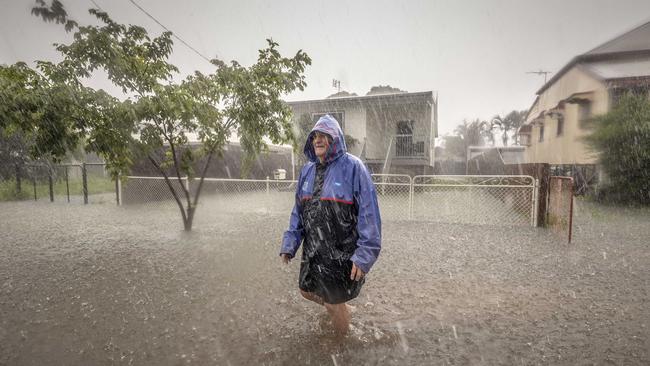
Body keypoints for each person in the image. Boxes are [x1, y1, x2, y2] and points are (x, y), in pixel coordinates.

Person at [280, 114, 382, 335]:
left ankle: (340, 345)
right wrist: (290, 242)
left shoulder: (354, 168)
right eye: (315, 135)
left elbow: (369, 214)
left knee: (333, 304)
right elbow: (298, 210)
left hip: (341, 252)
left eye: (324, 135)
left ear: (335, 139)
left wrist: (365, 255)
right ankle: (342, 310)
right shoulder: (307, 170)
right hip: (314, 250)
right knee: (305, 290)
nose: (318, 139)